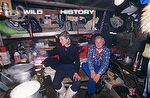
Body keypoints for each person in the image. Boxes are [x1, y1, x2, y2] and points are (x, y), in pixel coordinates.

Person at [44, 31, 81, 98]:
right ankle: (63, 92)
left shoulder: (74, 48)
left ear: (67, 39)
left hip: (71, 67)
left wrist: (76, 72)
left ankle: (67, 96)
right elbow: (51, 53)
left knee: (77, 83)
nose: (60, 41)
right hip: (61, 67)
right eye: (59, 39)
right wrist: (43, 53)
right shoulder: (59, 47)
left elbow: (77, 61)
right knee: (55, 84)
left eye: (62, 39)